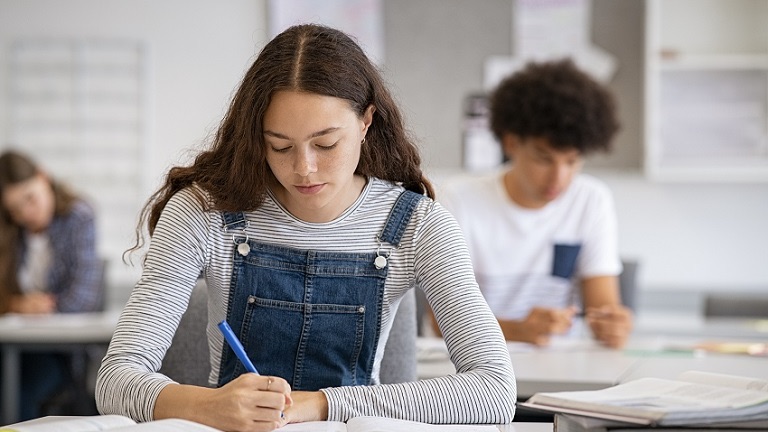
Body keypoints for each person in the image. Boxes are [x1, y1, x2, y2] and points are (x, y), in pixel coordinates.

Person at [96, 24, 516, 431]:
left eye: (326, 144)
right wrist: (209, 406)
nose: (303, 168)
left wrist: (320, 404)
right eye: (279, 145)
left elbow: (495, 390)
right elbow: (115, 379)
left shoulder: (419, 226)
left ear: (366, 123)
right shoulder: (204, 212)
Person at [439, 59, 633, 349]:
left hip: (558, 370)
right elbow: (440, 322)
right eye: (544, 158)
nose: (559, 177)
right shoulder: (457, 200)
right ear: (511, 143)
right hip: (474, 369)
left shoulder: (591, 200)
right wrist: (518, 329)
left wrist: (612, 325)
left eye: (572, 161)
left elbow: (602, 308)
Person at [0, 149, 103, 420]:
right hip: (12, 344)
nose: (26, 213)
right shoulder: (10, 230)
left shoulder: (79, 217)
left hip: (59, 351)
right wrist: (18, 305)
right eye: (14, 209)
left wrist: (42, 306)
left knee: (19, 390)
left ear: (43, 177)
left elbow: (83, 298)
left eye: (30, 199)